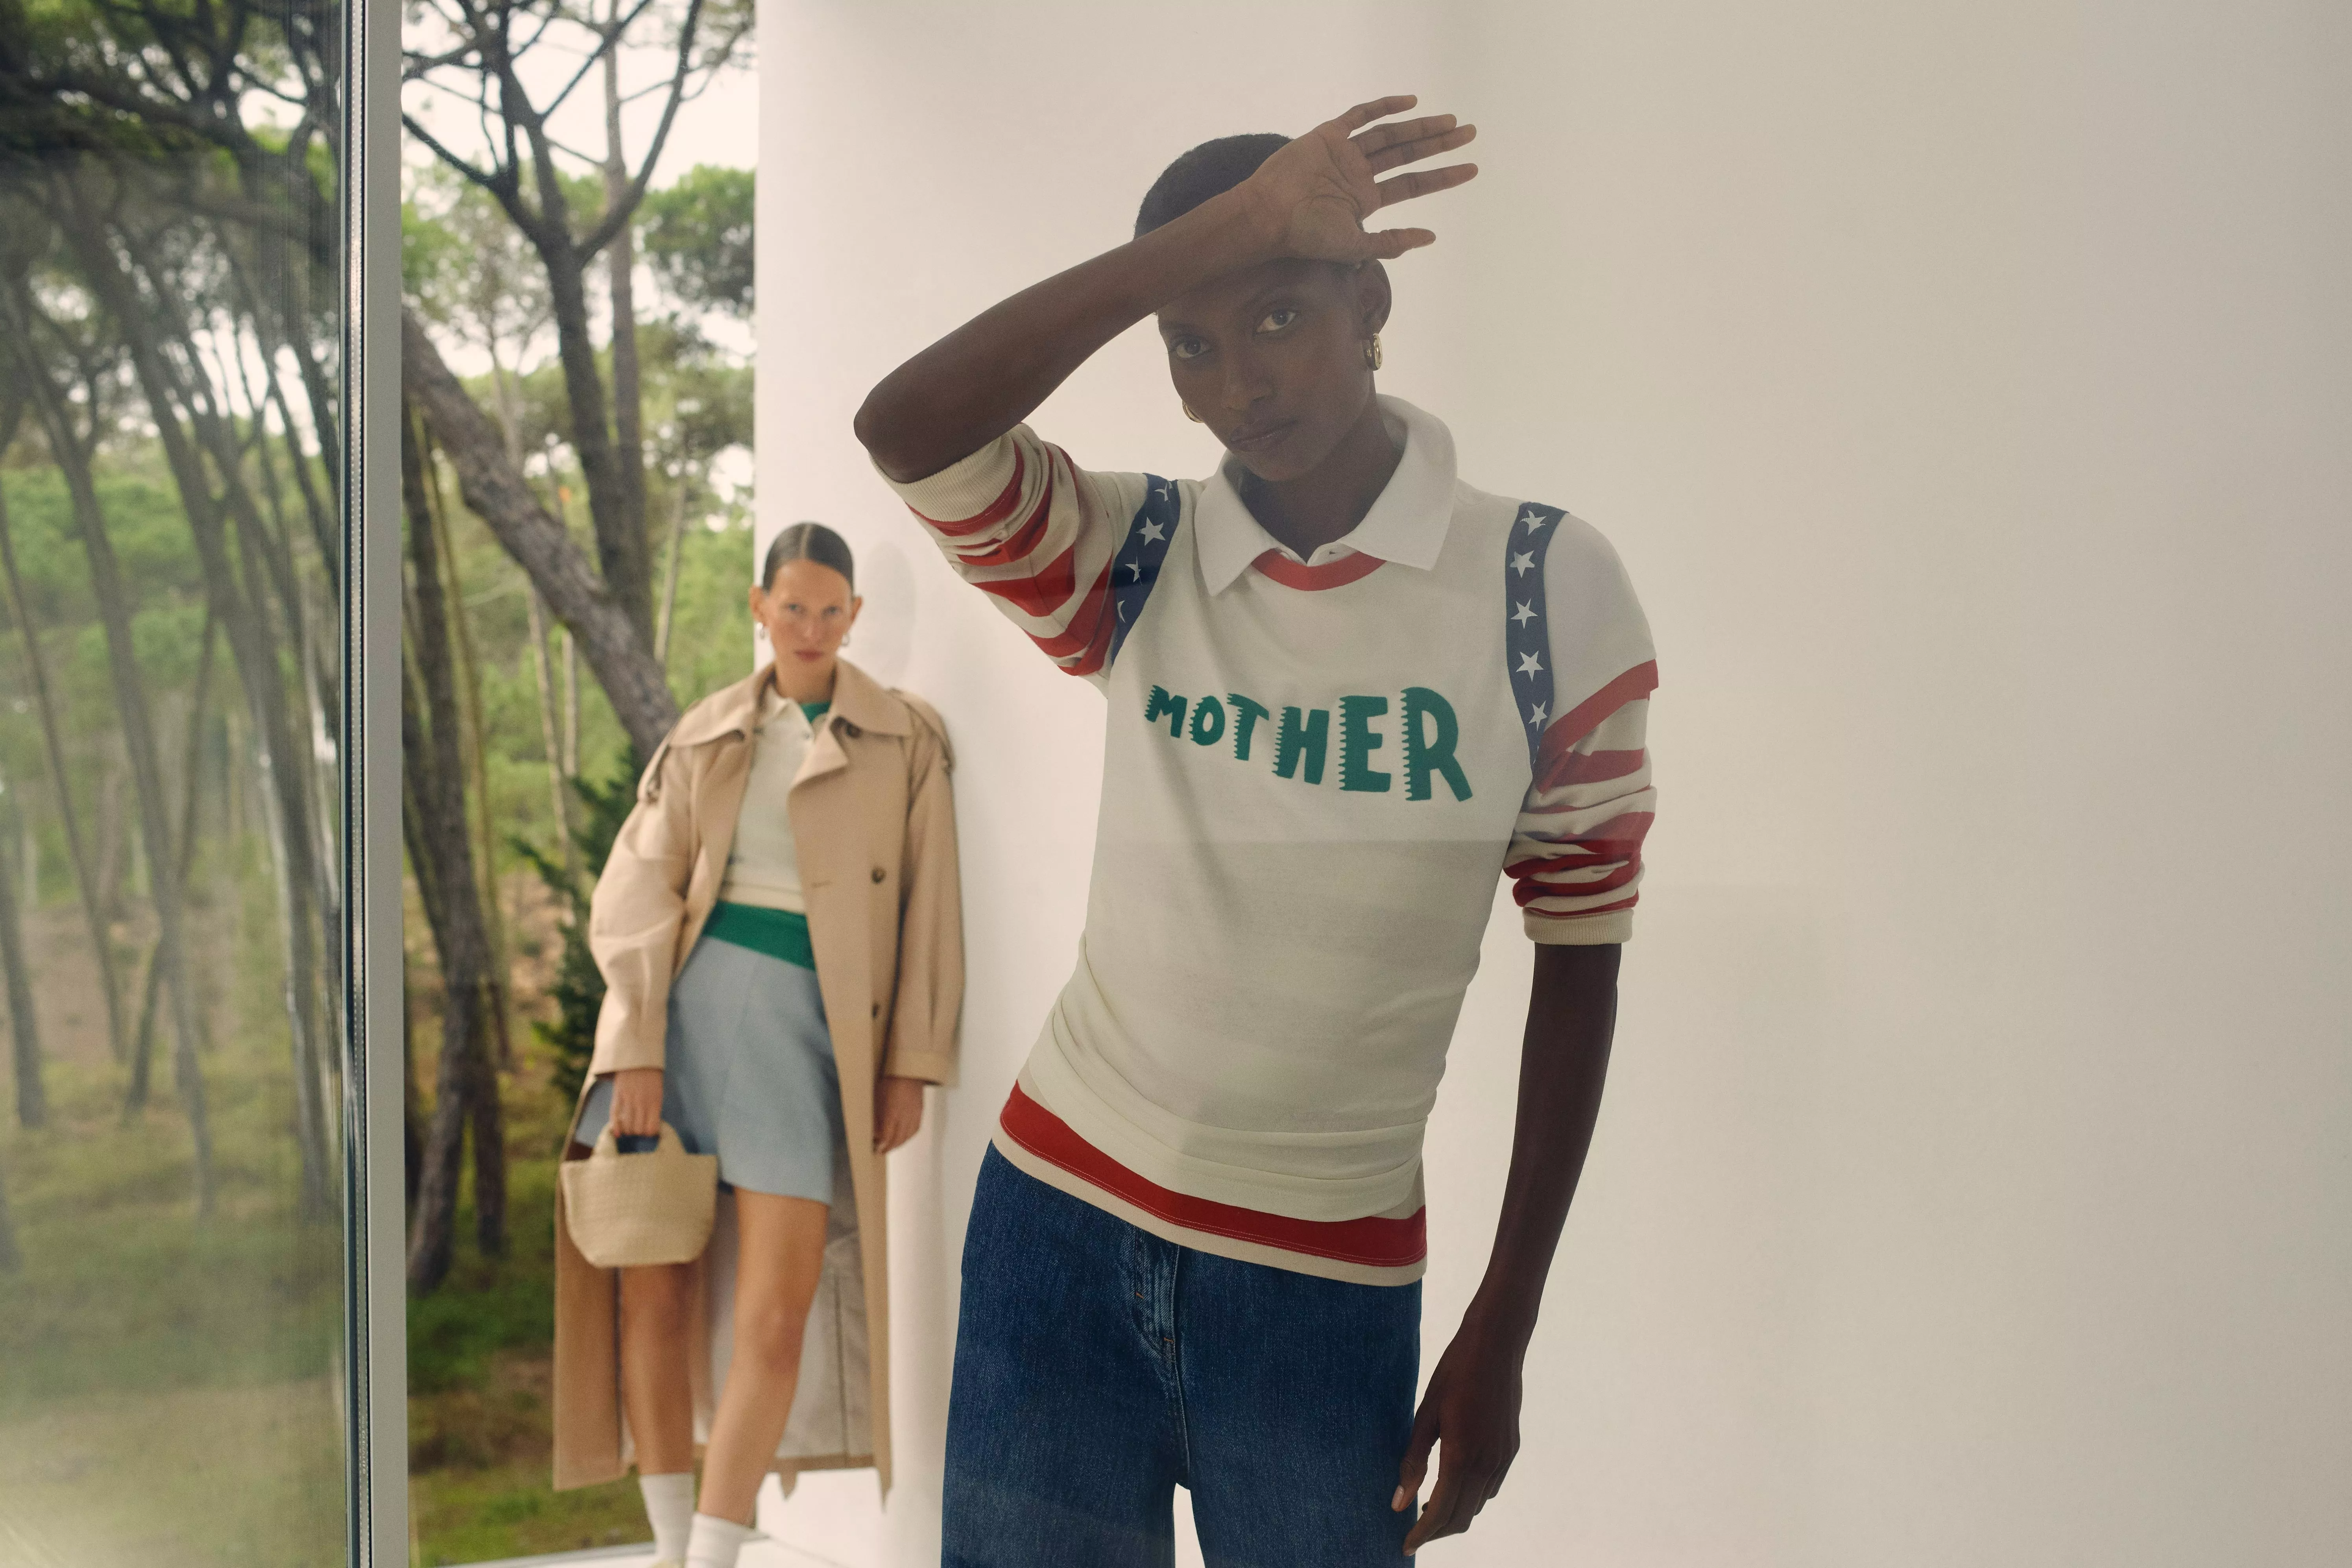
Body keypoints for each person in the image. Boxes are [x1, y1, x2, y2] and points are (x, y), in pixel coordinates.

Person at [855, 98, 1658, 1564]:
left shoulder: (1543, 590)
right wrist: (1208, 245)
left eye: (1278, 314)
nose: (1237, 384)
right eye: (1193, 344)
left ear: (1374, 301)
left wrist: (1506, 1318)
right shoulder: (1133, 557)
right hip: (1057, 1228)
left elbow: (1582, 952)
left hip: (1322, 1284)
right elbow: (904, 428)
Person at [548, 523, 964, 1568]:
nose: (813, 628)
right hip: (681, 1021)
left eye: (833, 609)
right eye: (794, 607)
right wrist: (638, 1042)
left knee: (779, 1308)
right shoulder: (706, 733)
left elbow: (930, 911)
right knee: (654, 1286)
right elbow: (637, 889)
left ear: (856, 615)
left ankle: (716, 1559)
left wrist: (912, 1059)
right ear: (759, 608)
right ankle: (674, 1548)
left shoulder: (905, 739)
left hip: (804, 1037)